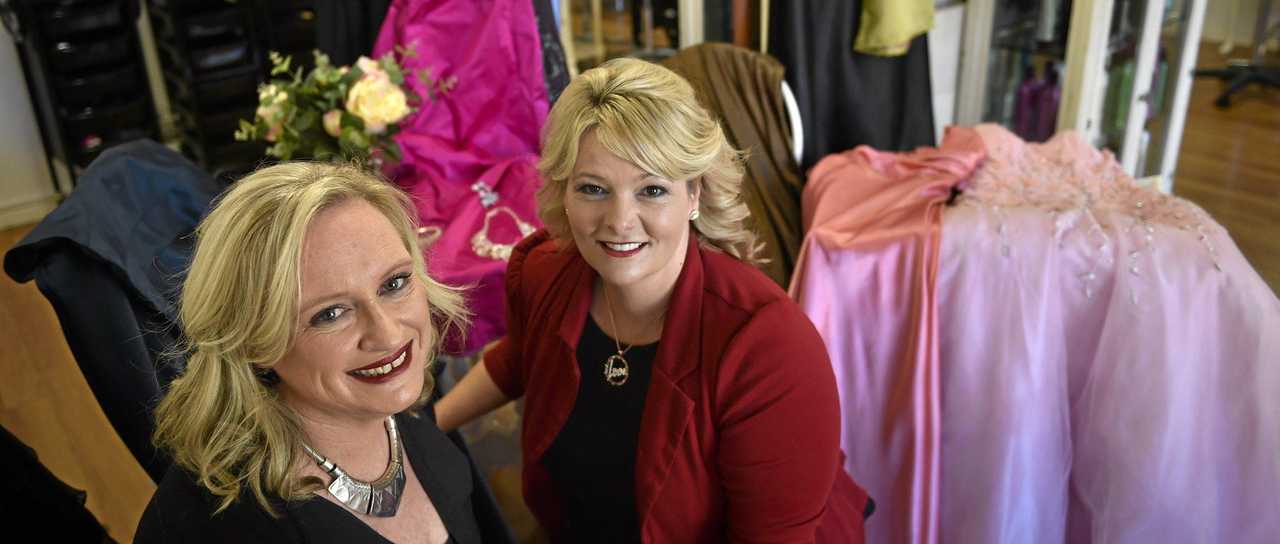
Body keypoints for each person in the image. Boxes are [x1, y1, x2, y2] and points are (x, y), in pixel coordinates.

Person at [435, 58, 870, 542]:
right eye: (593, 189)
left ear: (695, 195)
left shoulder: (769, 348)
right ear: (563, 191)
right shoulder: (543, 272)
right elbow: (520, 358)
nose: (620, 221)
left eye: (652, 190)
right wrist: (419, 430)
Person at [135, 162, 503, 543]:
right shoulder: (212, 527)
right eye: (330, 314)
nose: (388, 333)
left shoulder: (405, 410)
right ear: (253, 341)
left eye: (394, 283)